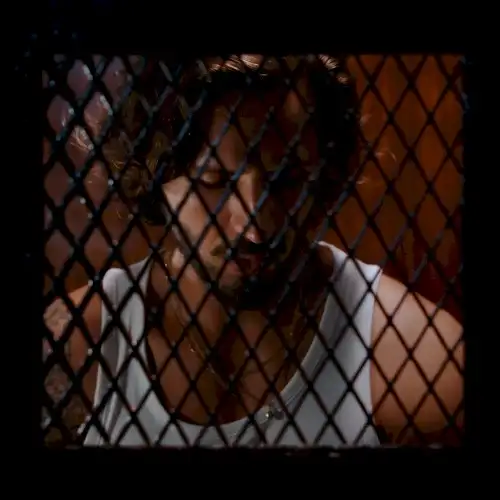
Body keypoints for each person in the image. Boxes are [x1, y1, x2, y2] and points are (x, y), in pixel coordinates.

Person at [43, 54, 463, 447]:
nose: (256, 229)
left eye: (287, 179)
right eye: (214, 181)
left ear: (324, 174)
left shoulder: (416, 357)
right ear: (154, 175)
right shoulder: (77, 346)